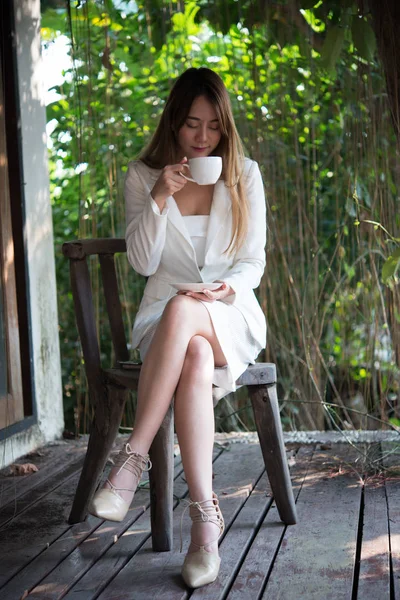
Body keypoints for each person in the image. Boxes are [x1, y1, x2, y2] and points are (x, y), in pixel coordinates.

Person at [89, 67, 267, 589]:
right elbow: (143, 265)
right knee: (187, 344)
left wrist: (221, 291)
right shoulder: (143, 177)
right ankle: (205, 531)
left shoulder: (244, 175)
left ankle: (131, 460)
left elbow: (252, 264)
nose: (203, 138)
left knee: (189, 316)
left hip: (229, 316)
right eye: (192, 125)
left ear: (225, 129)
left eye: (214, 127)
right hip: (163, 323)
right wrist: (159, 198)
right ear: (173, 122)